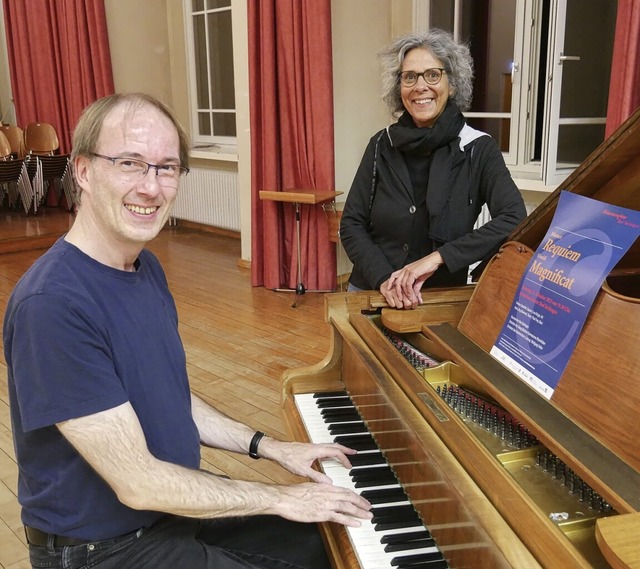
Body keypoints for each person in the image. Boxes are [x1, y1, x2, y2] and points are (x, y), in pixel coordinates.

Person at [3, 93, 371, 569]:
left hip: (168, 516)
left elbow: (167, 399)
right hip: (103, 551)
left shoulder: (144, 267)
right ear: (84, 171)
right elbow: (139, 483)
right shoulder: (52, 305)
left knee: (335, 539)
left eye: (167, 167)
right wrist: (280, 499)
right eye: (131, 163)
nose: (152, 187)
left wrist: (271, 447)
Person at [340, 29, 527, 309]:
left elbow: (513, 217)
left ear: (452, 84)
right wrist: (384, 279)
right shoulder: (381, 144)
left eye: (433, 75)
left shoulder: (478, 148)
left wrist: (437, 257)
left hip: (438, 298)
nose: (420, 86)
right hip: (371, 290)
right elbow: (352, 224)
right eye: (409, 77)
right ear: (399, 88)